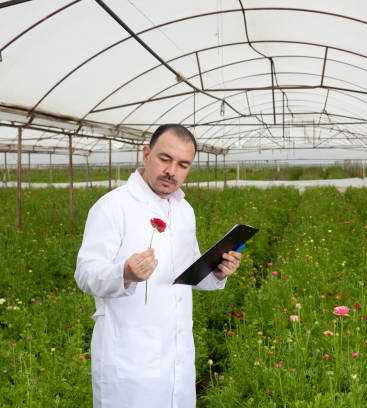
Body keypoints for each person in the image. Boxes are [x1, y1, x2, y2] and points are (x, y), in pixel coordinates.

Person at [75, 124, 242, 408]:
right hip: (129, 361)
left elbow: (188, 271)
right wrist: (124, 273)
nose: (172, 171)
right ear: (146, 154)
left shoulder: (183, 210)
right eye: (165, 159)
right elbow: (85, 274)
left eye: (183, 165)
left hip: (176, 354)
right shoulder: (113, 207)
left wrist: (216, 270)